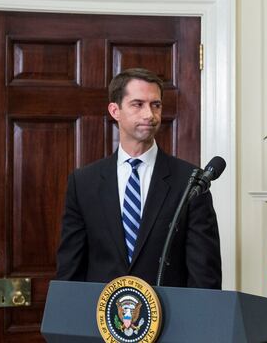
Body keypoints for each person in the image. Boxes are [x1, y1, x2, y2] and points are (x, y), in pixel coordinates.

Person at [56, 68, 221, 288]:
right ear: (115, 110)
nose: (149, 115)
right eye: (138, 104)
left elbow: (204, 274)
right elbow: (70, 270)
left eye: (156, 105)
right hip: (100, 318)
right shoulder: (84, 182)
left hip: (171, 317)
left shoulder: (190, 182)